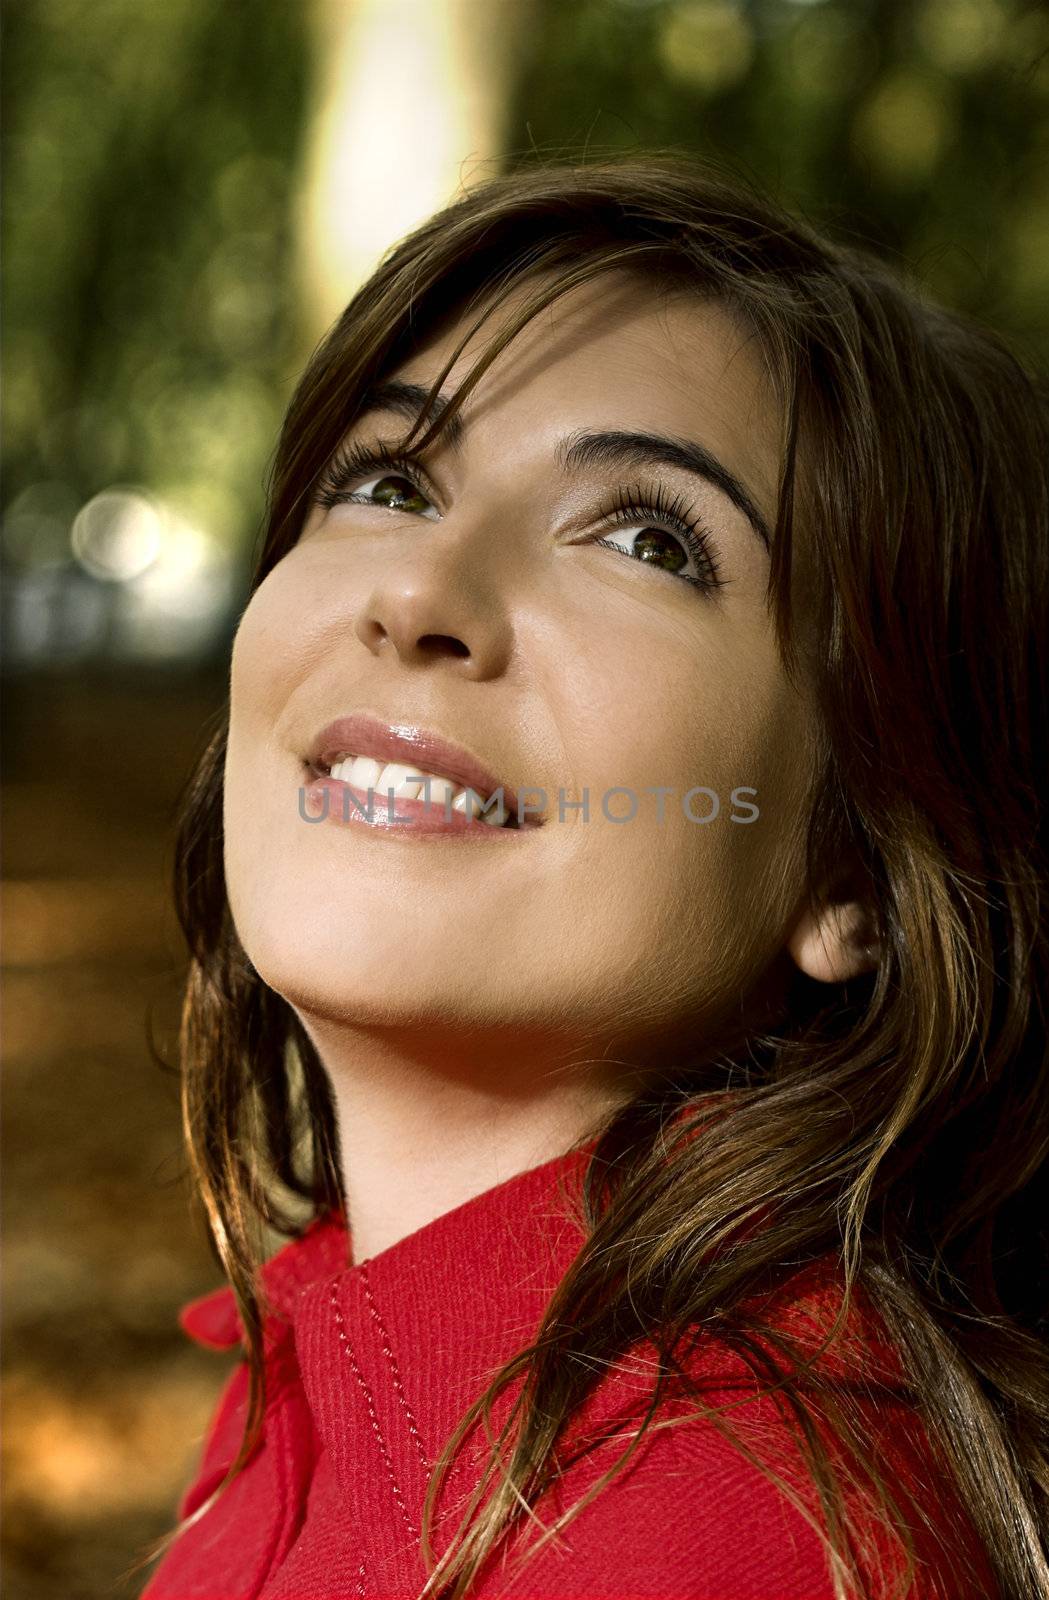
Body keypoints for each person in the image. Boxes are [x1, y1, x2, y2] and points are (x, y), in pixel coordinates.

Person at [132, 153, 1048, 1600]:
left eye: (647, 538)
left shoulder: (719, 1531)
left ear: (856, 870)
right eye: (387, 481)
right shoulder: (322, 1374)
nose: (420, 592)